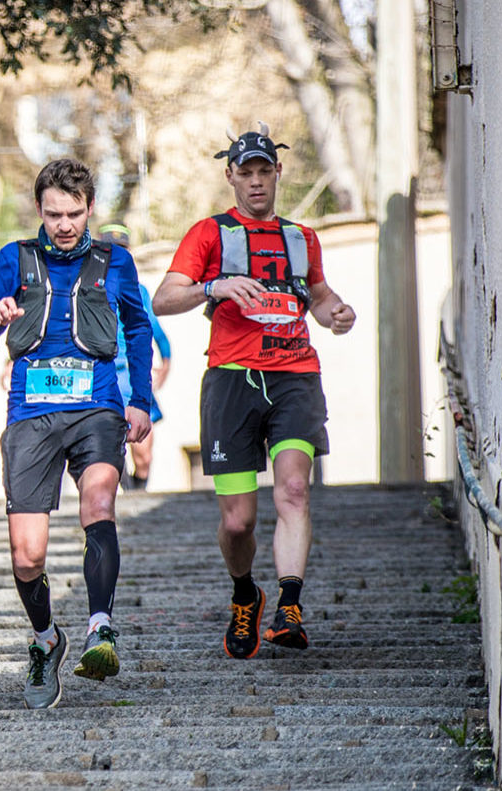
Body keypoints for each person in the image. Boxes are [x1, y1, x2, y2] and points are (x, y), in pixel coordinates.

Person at [149, 123, 357, 659]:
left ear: (278, 173)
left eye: (266, 171)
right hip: (232, 381)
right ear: (231, 178)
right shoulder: (209, 234)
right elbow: (163, 300)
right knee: (238, 520)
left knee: (293, 490)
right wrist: (212, 286)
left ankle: (290, 606)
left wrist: (335, 312)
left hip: (295, 376)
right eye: (247, 173)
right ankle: (247, 594)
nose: (258, 182)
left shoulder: (301, 236)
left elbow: (317, 294)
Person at [0, 159, 155, 708]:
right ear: (38, 211)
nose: (64, 224)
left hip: (98, 406)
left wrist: (139, 400)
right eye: (53, 214)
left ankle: (100, 627)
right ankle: (47, 640)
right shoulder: (14, 260)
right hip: (31, 414)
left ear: (90, 208)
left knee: (99, 501)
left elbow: (138, 328)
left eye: (73, 213)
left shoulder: (114, 261)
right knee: (27, 556)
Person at [98, 224, 172, 492]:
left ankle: (138, 491)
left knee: (144, 454)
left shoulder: (138, 290)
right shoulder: (88, 287)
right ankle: (127, 495)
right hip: (104, 374)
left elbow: (155, 330)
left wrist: (166, 362)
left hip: (132, 374)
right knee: (109, 448)